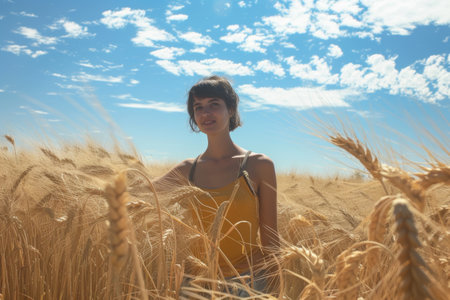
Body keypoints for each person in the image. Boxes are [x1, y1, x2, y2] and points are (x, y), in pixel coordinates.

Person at [155, 75, 279, 295]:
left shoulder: (258, 165)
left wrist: (277, 287)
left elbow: (271, 238)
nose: (205, 113)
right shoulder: (187, 170)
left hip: (248, 283)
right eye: (198, 107)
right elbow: (139, 194)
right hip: (196, 282)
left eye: (214, 104)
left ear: (231, 109)